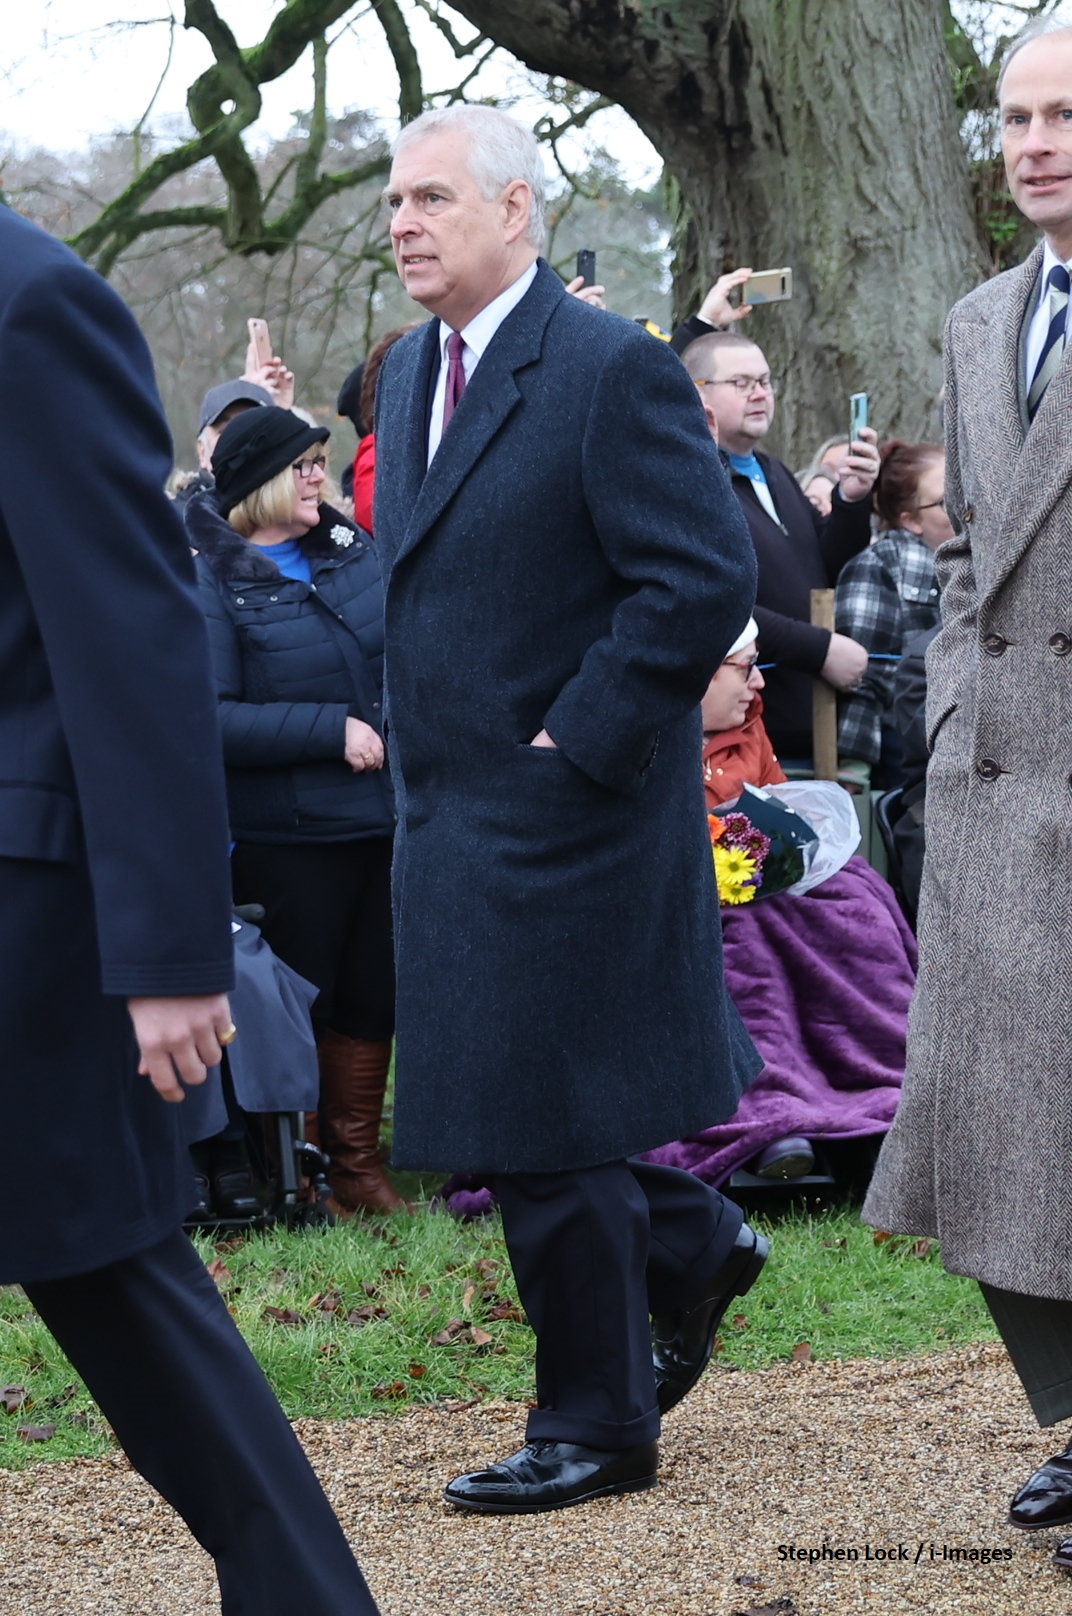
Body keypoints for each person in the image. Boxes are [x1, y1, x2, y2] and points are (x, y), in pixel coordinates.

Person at [375, 103, 766, 1514]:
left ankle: (596, 1423)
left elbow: (699, 577)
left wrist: (575, 738)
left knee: (540, 1128)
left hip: (570, 815)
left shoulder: (605, 368)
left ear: (517, 209)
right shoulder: (411, 369)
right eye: (394, 202)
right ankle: (694, 1241)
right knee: (511, 1120)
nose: (402, 222)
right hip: (446, 814)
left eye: (429, 198)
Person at [0, 209, 379, 1612]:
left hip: (26, 923)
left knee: (122, 1292)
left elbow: (134, 633)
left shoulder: (32, 302)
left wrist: (170, 948)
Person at [862, 18, 1072, 1580]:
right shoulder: (979, 314)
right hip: (995, 792)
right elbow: (958, 561)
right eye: (1014, 115)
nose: (1035, 141)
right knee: (1000, 1149)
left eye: (1065, 112)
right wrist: (949, 717)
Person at [185, 405, 402, 1217]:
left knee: (371, 996)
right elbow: (204, 714)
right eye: (306, 465)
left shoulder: (351, 552)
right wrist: (327, 730)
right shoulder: (209, 574)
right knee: (299, 1003)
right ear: (259, 482)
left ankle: (356, 1163)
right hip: (288, 833)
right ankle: (296, 1169)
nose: (323, 477)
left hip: (382, 820)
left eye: (322, 462)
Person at [643, 621, 916, 1186]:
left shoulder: (748, 730)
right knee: (746, 955)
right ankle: (772, 1119)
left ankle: (886, 1104)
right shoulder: (642, 739)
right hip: (682, 909)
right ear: (696, 672)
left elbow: (780, 805)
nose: (758, 687)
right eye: (746, 669)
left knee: (860, 907)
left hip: (768, 893)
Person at [681, 326, 880, 762]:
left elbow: (824, 567)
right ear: (697, 393)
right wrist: (819, 648)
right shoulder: (691, 483)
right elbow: (713, 602)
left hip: (814, 725)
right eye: (741, 383)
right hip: (742, 735)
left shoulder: (774, 471)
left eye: (765, 381)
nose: (759, 394)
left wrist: (852, 498)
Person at [835, 440, 948, 785]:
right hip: (906, 750)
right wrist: (855, 768)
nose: (964, 509)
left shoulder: (990, 562)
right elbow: (863, 678)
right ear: (910, 520)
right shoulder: (878, 566)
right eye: (946, 502)